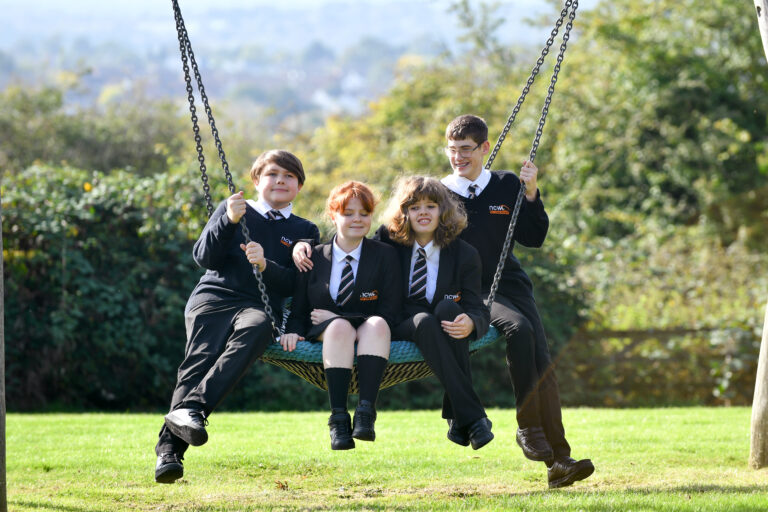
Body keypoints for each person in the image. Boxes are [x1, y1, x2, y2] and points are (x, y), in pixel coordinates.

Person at [440, 114, 594, 488]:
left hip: (509, 284)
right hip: (469, 289)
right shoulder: (440, 191)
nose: (458, 157)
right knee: (520, 331)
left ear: (484, 148)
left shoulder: (507, 184)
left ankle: (559, 460)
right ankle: (527, 427)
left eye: (466, 150)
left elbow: (533, 237)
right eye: (452, 150)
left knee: (544, 364)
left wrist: (531, 193)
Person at [154, 149, 320, 484]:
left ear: (299, 187)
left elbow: (295, 283)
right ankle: (169, 454)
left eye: (289, 177)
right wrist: (228, 221)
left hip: (260, 307)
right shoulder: (234, 210)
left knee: (259, 328)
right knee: (198, 363)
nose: (281, 181)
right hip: (214, 298)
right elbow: (204, 257)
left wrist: (265, 265)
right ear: (257, 180)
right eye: (273, 174)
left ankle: (193, 410)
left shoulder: (305, 230)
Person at [375, 176, 493, 450]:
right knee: (424, 320)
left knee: (449, 309)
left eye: (431, 206)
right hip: (397, 321)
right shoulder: (387, 241)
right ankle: (473, 417)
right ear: (404, 213)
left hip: (441, 324)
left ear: (443, 211)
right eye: (415, 207)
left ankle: (462, 416)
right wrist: (303, 247)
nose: (423, 213)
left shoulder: (464, 254)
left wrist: (472, 322)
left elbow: (477, 306)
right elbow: (352, 249)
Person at [282, 181, 401, 450]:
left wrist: (339, 314)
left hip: (372, 332)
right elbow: (300, 309)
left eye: (364, 213)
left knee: (378, 323)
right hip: (328, 333)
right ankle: (338, 419)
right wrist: (292, 329)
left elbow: (390, 310)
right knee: (339, 328)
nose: (357, 219)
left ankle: (366, 413)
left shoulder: (386, 256)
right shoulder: (312, 256)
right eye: (348, 213)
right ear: (333, 215)